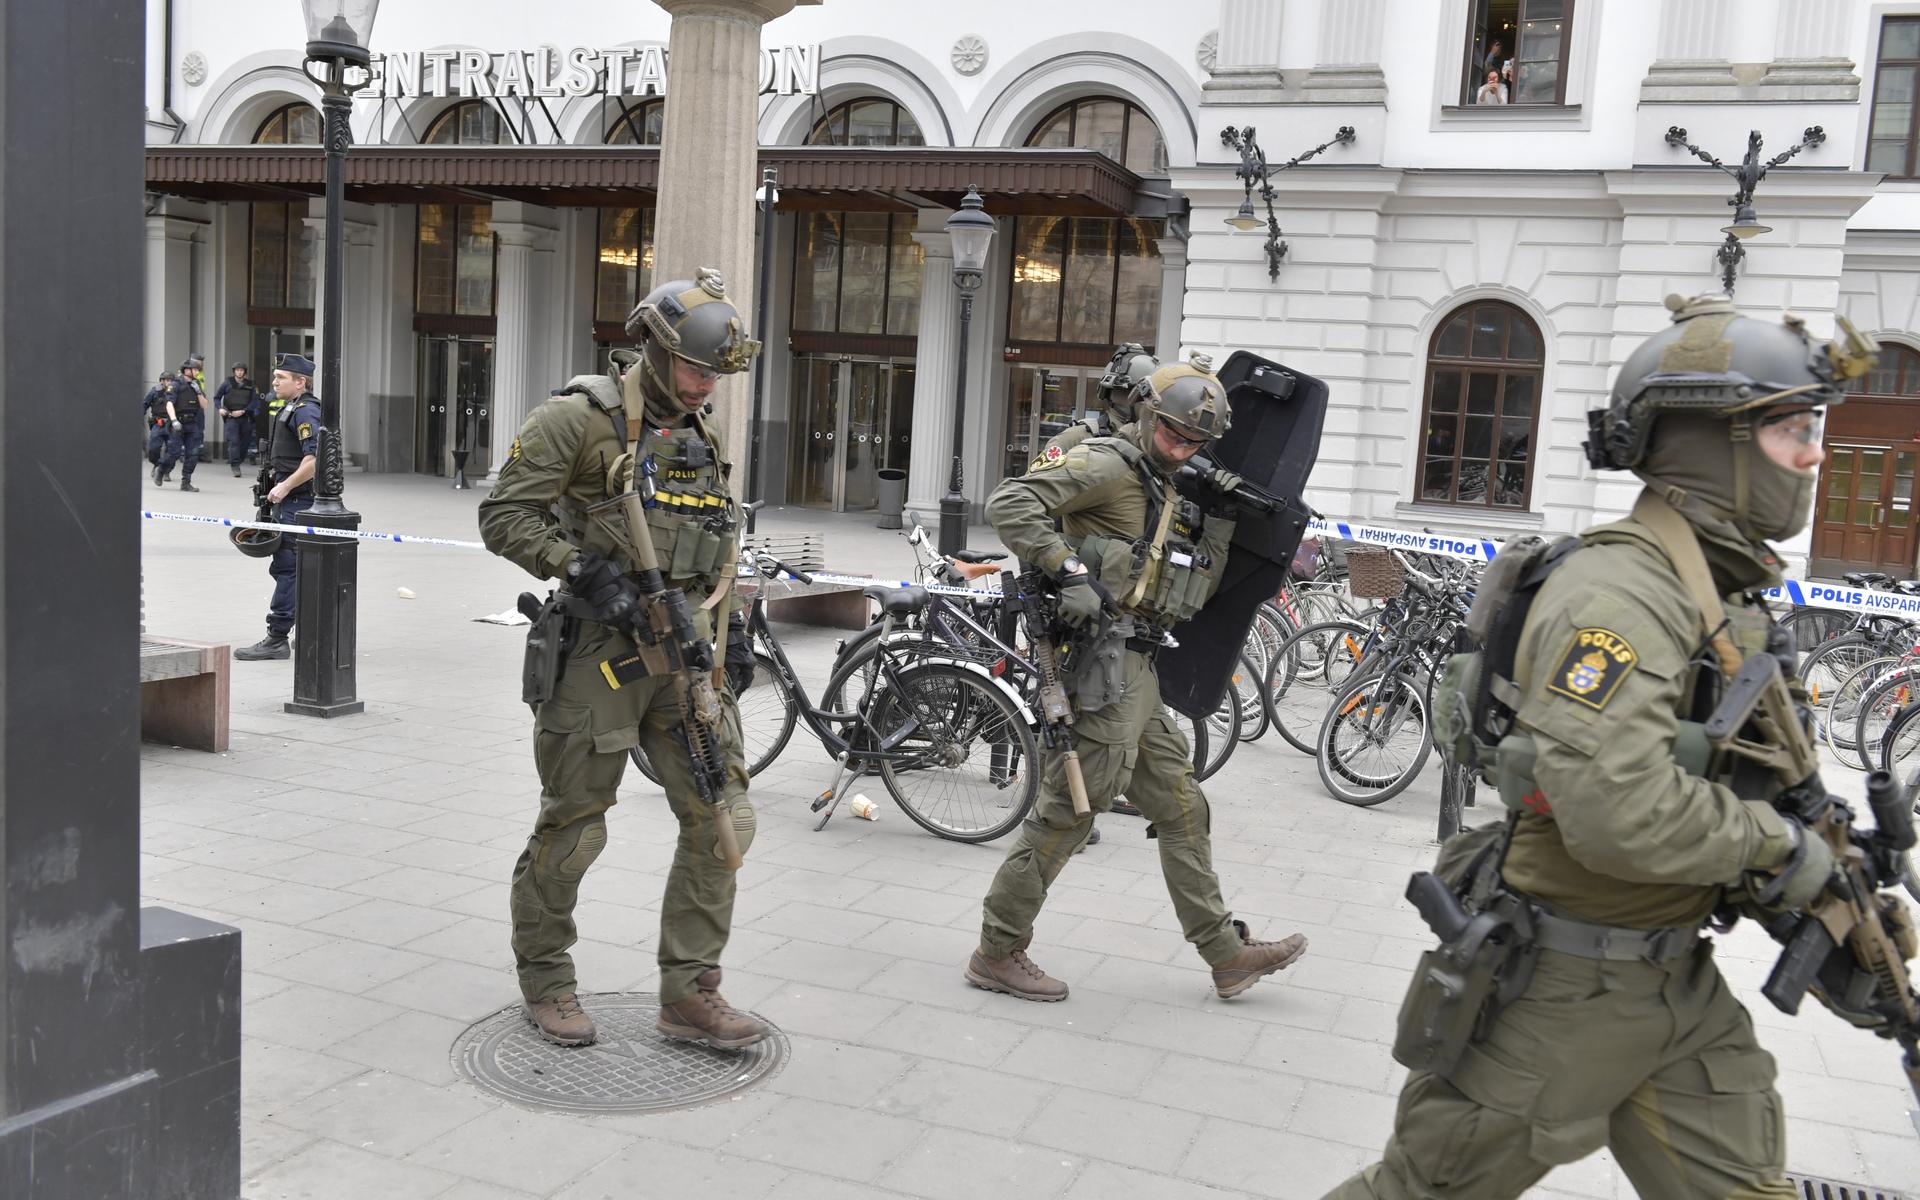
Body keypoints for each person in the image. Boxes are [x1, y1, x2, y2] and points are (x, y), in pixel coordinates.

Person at [1325, 294, 1880, 1198]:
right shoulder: (1621, 594)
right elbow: (1617, 812)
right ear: (1716, 445)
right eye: (1789, 429)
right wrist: (1783, 851)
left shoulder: (1716, 588)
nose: (1814, 454)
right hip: (1564, 988)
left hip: (1675, 981)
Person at [478, 269, 765, 1051]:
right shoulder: (579, 419)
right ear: (656, 349)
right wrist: (580, 569)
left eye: (718, 375)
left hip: (682, 653)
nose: (708, 386)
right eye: (698, 369)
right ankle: (546, 979)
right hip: (601, 655)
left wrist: (729, 632)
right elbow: (503, 515)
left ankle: (690, 992)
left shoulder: (696, 431)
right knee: (575, 828)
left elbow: (712, 540)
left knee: (723, 817)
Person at [965, 358, 1308, 1003]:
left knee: (1182, 806)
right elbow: (1011, 502)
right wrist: (1067, 568)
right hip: (1102, 667)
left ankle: (1226, 954)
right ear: (1149, 415)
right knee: (1069, 813)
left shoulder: (1165, 479)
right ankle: (997, 949)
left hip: (1140, 667)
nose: (1181, 448)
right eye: (1173, 434)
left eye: (1194, 442)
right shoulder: (1109, 465)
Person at [234, 354, 323, 662]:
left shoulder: (306, 410)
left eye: (281, 377)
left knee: (287, 567)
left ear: (301, 381)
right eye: (274, 376)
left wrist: (285, 487)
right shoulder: (289, 407)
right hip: (288, 500)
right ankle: (310, 630)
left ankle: (277, 637)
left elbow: (313, 461)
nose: (274, 382)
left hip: (297, 501)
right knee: (298, 569)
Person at [156, 358, 206, 491]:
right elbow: (169, 403)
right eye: (194, 369)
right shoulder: (176, 384)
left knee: (193, 454)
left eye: (197, 370)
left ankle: (186, 482)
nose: (197, 372)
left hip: (192, 424)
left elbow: (204, 405)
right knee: (174, 453)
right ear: (186, 370)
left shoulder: (196, 385)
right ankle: (161, 470)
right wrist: (174, 420)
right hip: (178, 422)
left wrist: (199, 392)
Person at [215, 363, 258, 477]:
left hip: (245, 416)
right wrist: (220, 408)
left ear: (245, 372)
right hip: (231, 416)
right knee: (233, 441)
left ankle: (239, 460)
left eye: (241, 370)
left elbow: (255, 402)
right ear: (234, 371)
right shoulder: (227, 383)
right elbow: (217, 397)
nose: (239, 372)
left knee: (245, 443)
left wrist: (244, 411)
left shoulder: (251, 385)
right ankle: (235, 466)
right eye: (237, 370)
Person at [144, 370, 176, 479]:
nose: (169, 383)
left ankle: (166, 471)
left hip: (172, 424)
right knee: (153, 448)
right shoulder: (155, 392)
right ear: (162, 381)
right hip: (158, 423)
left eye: (171, 380)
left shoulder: (176, 392)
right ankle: (156, 465)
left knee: (172, 449)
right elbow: (145, 404)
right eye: (167, 380)